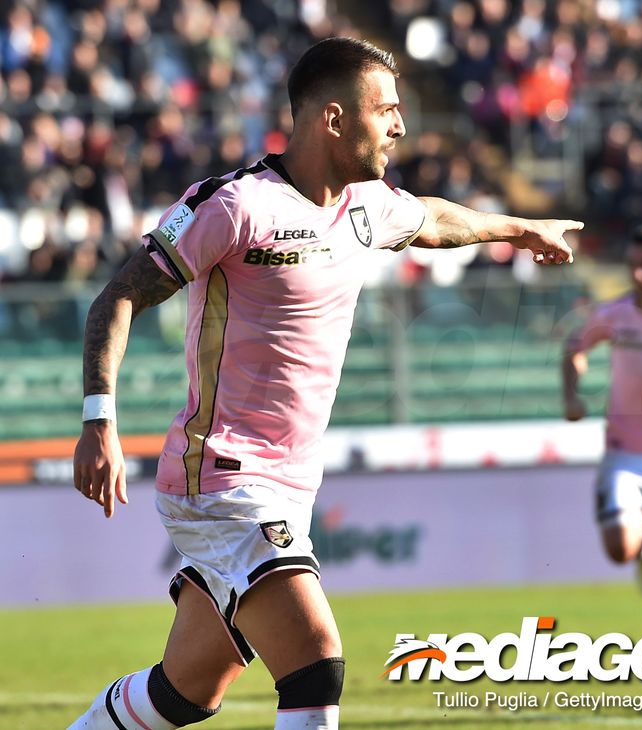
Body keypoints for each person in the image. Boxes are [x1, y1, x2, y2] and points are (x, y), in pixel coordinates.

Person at [68, 37, 579, 730]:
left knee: (185, 692)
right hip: (222, 475)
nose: (400, 126)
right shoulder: (236, 205)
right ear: (333, 120)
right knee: (317, 660)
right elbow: (118, 297)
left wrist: (519, 229)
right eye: (386, 111)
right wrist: (100, 420)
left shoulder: (367, 205)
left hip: (290, 485)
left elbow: (436, 218)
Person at [561, 224, 642, 652]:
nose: (639, 275)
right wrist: (572, 393)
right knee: (620, 548)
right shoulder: (615, 315)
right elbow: (574, 346)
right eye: (633, 267)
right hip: (626, 454)